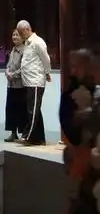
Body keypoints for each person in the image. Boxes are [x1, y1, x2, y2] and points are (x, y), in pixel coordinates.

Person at [59, 49, 99, 213]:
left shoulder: (95, 91)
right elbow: (69, 126)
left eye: (78, 66)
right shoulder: (72, 92)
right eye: (72, 66)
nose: (73, 71)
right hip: (80, 163)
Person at [16, 19, 52, 146]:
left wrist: (47, 72)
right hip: (28, 82)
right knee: (35, 110)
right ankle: (40, 138)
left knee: (32, 111)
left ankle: (28, 137)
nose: (20, 35)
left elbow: (46, 59)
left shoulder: (38, 42)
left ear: (27, 30)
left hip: (35, 81)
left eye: (21, 33)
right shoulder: (27, 43)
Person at [4, 29, 27, 142]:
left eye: (17, 35)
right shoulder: (13, 50)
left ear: (22, 37)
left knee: (21, 110)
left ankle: (23, 134)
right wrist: (7, 72)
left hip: (20, 86)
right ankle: (13, 133)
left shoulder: (25, 50)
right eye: (13, 35)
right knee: (10, 109)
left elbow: (24, 68)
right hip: (11, 85)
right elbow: (8, 65)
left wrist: (12, 75)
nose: (14, 37)